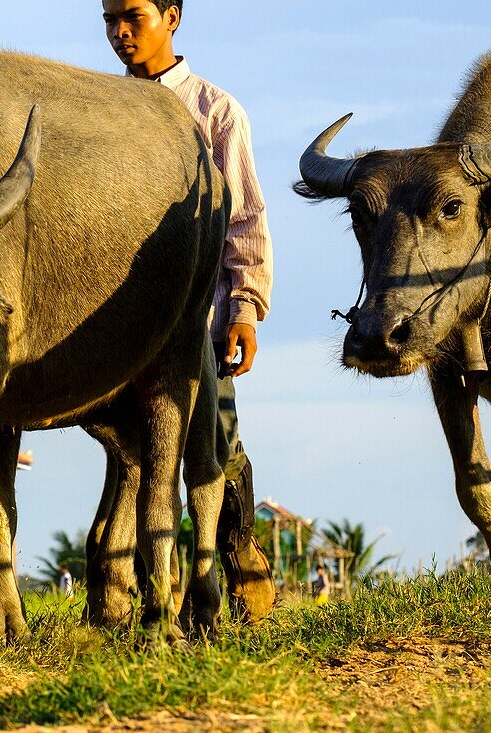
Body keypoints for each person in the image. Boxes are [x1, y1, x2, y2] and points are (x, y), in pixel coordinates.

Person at [102, 0, 277, 620]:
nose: (120, 33)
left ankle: (237, 554)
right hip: (115, 315)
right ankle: (119, 592)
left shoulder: (215, 111)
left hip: (198, 316)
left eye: (134, 16)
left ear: (173, 16)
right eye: (108, 20)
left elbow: (244, 216)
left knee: (215, 435)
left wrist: (246, 307)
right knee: (125, 446)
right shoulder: (97, 109)